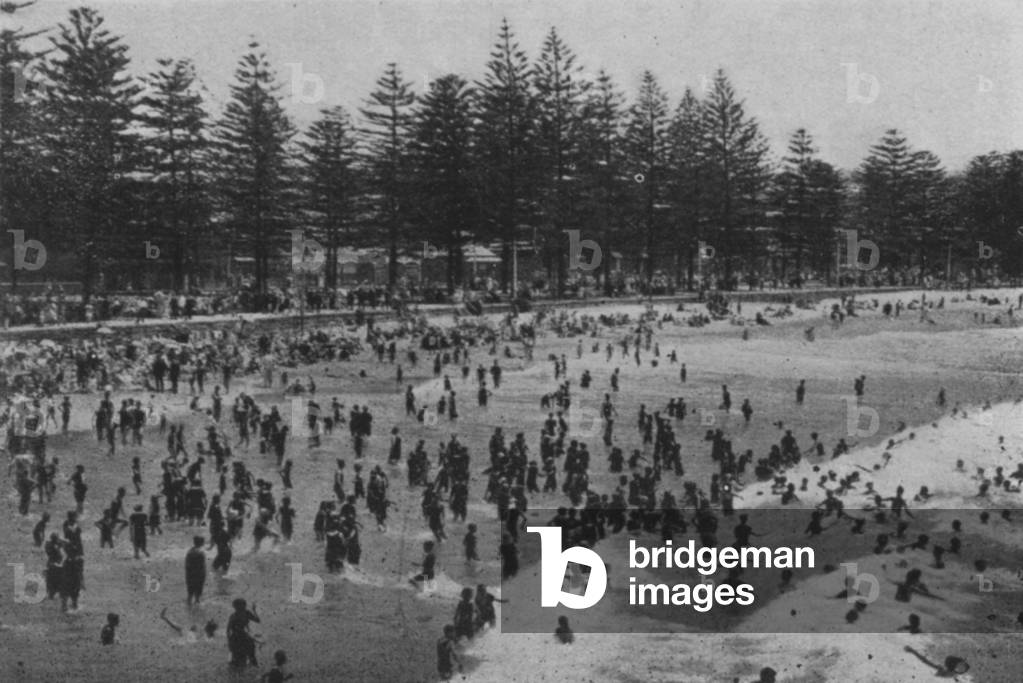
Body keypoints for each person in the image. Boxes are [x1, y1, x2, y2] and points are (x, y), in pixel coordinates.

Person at [227, 598, 261, 667]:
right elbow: (228, 630)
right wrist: (229, 641)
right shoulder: (234, 616)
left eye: (243, 606)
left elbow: (257, 620)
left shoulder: (246, 613)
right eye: (241, 607)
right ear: (236, 607)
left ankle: (253, 663)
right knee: (239, 657)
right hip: (237, 638)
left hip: (242, 636)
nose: (243, 608)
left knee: (251, 650)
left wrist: (254, 610)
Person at [185, 535, 207, 606]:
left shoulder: (189, 551)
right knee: (198, 592)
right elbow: (202, 565)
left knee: (190, 592)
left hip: (190, 574)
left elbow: (187, 564)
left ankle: (189, 606)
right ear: (202, 543)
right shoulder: (201, 552)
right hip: (199, 574)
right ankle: (197, 605)